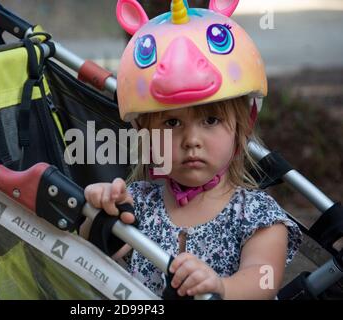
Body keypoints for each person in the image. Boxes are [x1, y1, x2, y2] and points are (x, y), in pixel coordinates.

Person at [81, 0, 302, 299]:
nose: (191, 140)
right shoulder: (140, 204)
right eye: (172, 122)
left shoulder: (256, 215)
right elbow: (96, 254)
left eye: (210, 120)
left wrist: (222, 287)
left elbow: (263, 281)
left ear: (243, 125)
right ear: (144, 134)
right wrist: (99, 216)